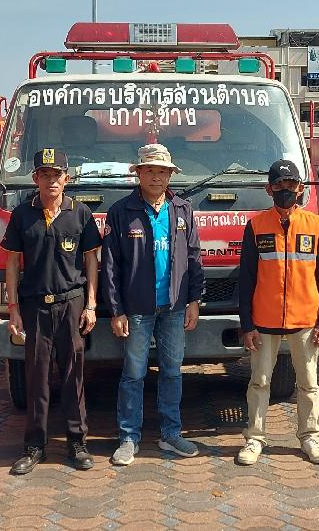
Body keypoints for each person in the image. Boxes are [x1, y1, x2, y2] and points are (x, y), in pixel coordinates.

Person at [101, 143, 204, 466]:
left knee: (172, 372)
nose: (156, 177)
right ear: (139, 174)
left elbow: (194, 258)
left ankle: (170, 434)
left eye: (162, 172)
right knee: (133, 374)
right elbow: (110, 266)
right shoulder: (121, 211)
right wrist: (116, 310)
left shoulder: (182, 210)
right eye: (150, 171)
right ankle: (128, 438)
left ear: (170, 175)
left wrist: (194, 300)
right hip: (137, 310)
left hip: (174, 307)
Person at [1, 148, 103, 475]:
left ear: (66, 178)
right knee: (37, 377)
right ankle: (34, 446)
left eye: (56, 174)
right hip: (35, 306)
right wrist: (13, 309)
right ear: (35, 178)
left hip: (71, 304)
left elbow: (91, 260)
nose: (51, 181)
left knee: (74, 376)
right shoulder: (22, 215)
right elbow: (12, 263)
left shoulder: (80, 213)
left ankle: (77, 443)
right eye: (44, 174)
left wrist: (91, 304)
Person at [235, 159, 319, 467]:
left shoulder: (316, 225)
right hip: (264, 321)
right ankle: (254, 438)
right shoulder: (256, 226)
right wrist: (247, 324)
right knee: (259, 382)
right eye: (279, 185)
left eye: (291, 185)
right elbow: (246, 279)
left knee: (308, 384)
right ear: (269, 189)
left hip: (305, 321)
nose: (285, 190)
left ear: (300, 188)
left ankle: (310, 437)